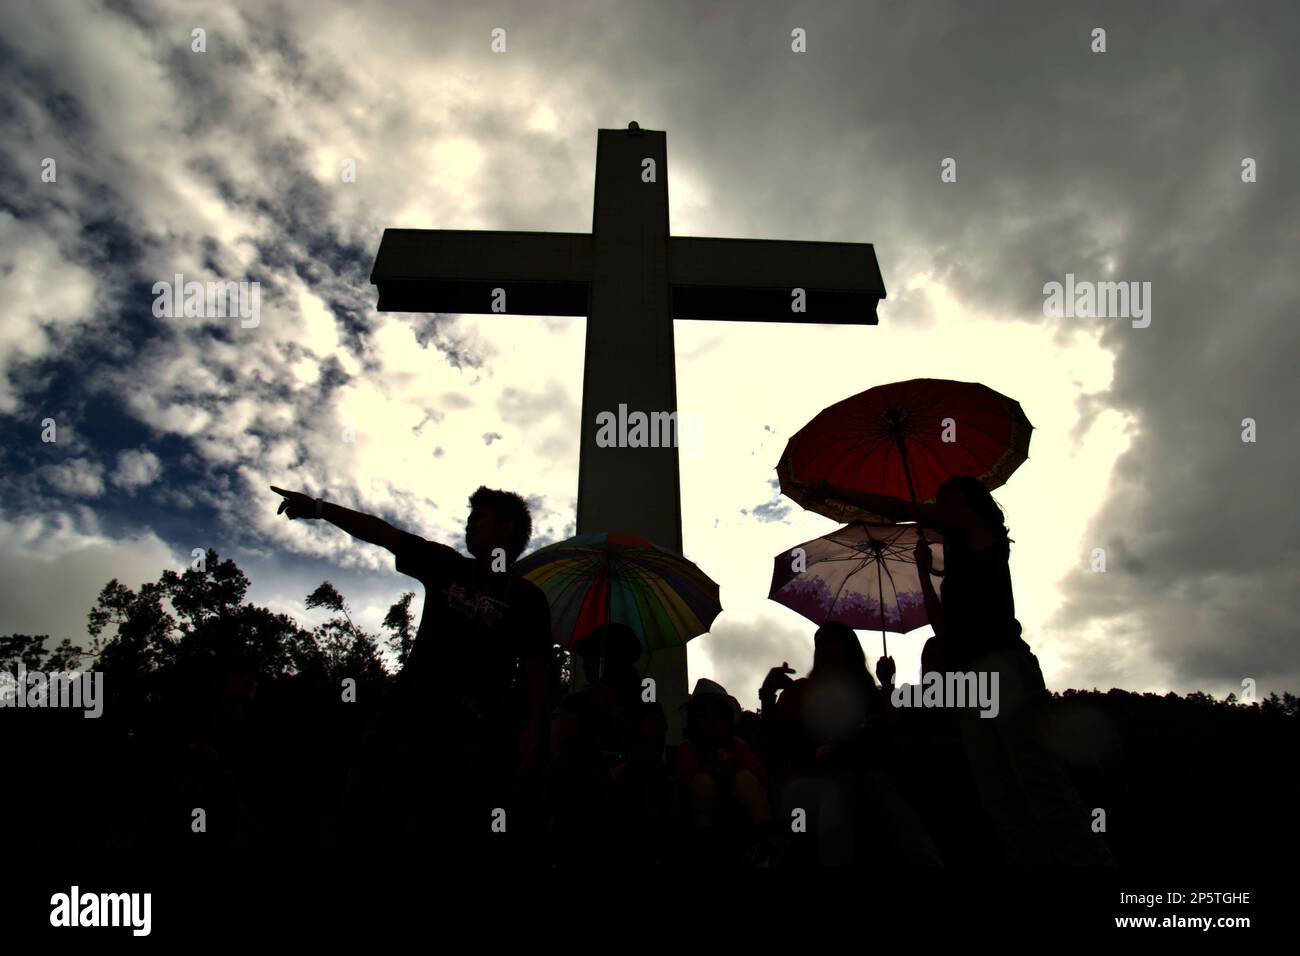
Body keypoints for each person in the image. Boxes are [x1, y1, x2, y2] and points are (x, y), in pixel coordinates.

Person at [807, 475, 1114, 865]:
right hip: (970, 675)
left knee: (1038, 780)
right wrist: (923, 572)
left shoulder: (981, 531)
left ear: (973, 504)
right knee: (998, 792)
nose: (943, 507)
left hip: (1002, 666)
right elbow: (943, 629)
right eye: (941, 501)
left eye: (951, 499)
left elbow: (901, 510)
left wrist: (836, 490)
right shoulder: (957, 563)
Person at [271, 483, 552, 859]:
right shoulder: (447, 565)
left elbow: (537, 669)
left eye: (479, 518)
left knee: (439, 834)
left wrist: (533, 731)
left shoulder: (528, 600)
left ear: (508, 529)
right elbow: (382, 532)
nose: (469, 524)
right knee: (363, 818)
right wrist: (320, 508)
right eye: (469, 517)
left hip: (469, 735)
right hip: (406, 716)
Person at [760, 622, 939, 866]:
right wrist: (767, 696)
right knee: (838, 795)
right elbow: (773, 744)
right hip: (800, 797)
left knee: (878, 788)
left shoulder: (867, 696)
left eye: (834, 644)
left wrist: (887, 685)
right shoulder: (800, 693)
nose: (826, 652)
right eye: (821, 645)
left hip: (859, 783)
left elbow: (890, 730)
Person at [544, 623, 667, 865]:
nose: (585, 663)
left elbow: (653, 746)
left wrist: (613, 714)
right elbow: (558, 747)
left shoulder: (645, 702)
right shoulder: (576, 702)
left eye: (593, 656)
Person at [677, 678, 771, 863]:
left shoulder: (737, 745)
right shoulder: (689, 748)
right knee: (701, 783)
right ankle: (703, 842)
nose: (710, 722)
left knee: (745, 780)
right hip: (700, 813)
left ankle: (763, 837)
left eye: (716, 715)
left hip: (739, 811)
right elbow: (685, 778)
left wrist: (735, 769)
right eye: (703, 716)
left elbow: (760, 776)